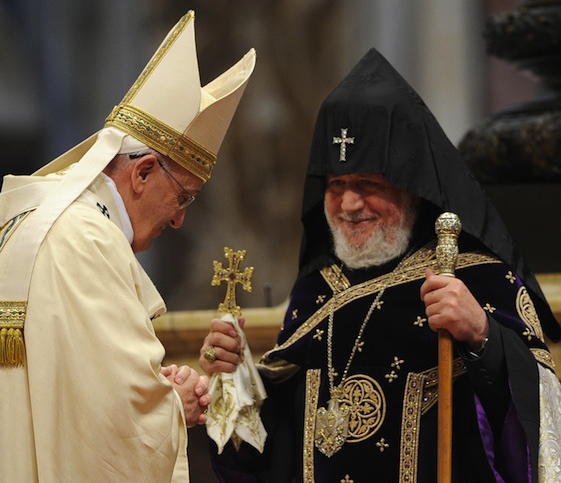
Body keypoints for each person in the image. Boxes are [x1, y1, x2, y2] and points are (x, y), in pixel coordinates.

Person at [0, 11, 255, 483]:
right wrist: (171, 408)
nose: (180, 219)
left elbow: (70, 393)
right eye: (183, 197)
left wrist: (153, 394)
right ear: (141, 173)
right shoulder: (86, 240)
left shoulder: (36, 216)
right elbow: (111, 435)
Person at [199, 48, 561, 482]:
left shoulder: (473, 278)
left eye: (368, 184)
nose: (350, 204)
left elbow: (536, 421)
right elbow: (284, 438)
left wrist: (482, 335)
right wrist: (238, 379)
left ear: (411, 188)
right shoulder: (317, 289)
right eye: (336, 185)